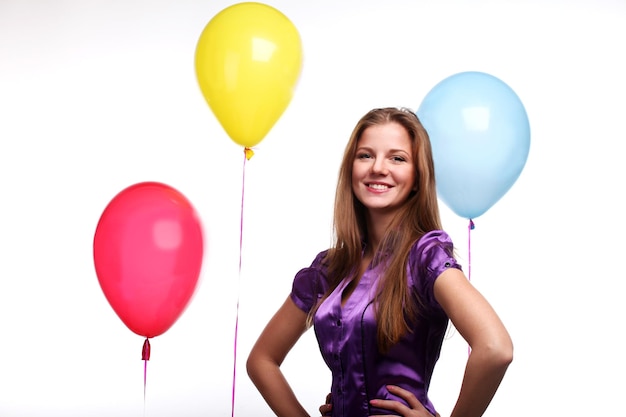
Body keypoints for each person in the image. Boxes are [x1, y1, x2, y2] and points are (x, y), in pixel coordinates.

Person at [246, 107, 513, 417]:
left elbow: (495, 348)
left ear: (416, 177)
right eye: (365, 156)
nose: (378, 168)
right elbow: (261, 360)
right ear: (351, 169)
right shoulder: (327, 271)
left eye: (397, 158)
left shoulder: (426, 257)